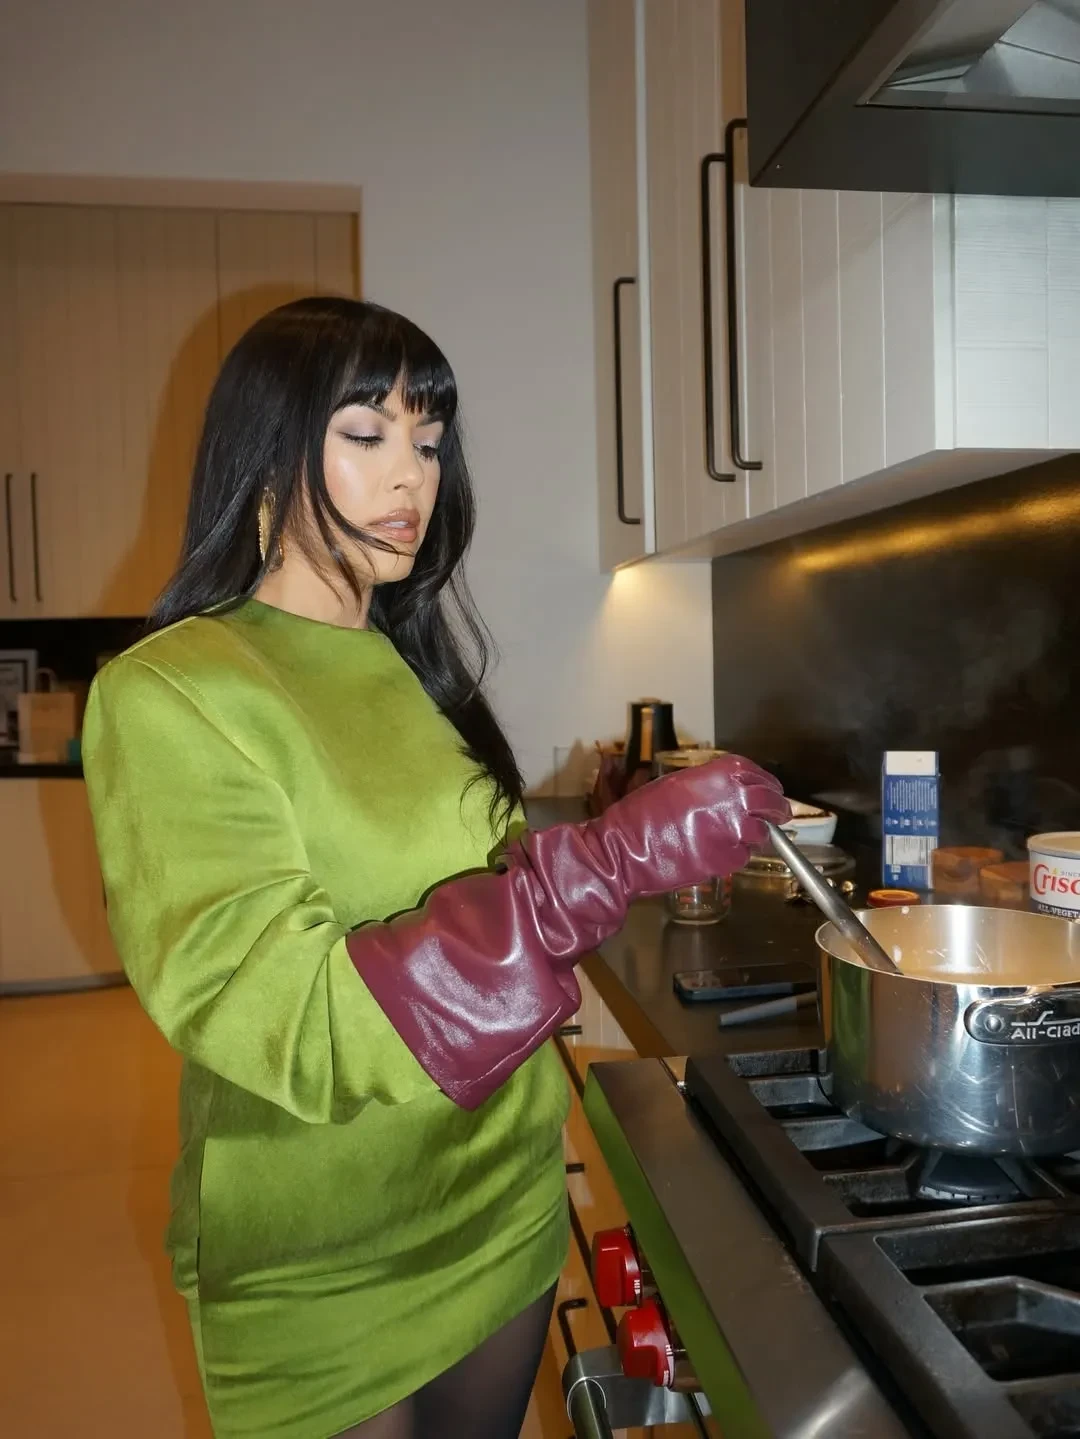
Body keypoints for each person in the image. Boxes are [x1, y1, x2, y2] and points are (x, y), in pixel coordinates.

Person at [82, 296, 789, 1439]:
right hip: (327, 1247)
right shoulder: (175, 691)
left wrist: (608, 853)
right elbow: (287, 1013)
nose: (411, 474)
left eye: (429, 439)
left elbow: (476, 884)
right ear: (266, 449)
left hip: (503, 1194)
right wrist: (600, 864)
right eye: (366, 434)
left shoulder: (412, 664)